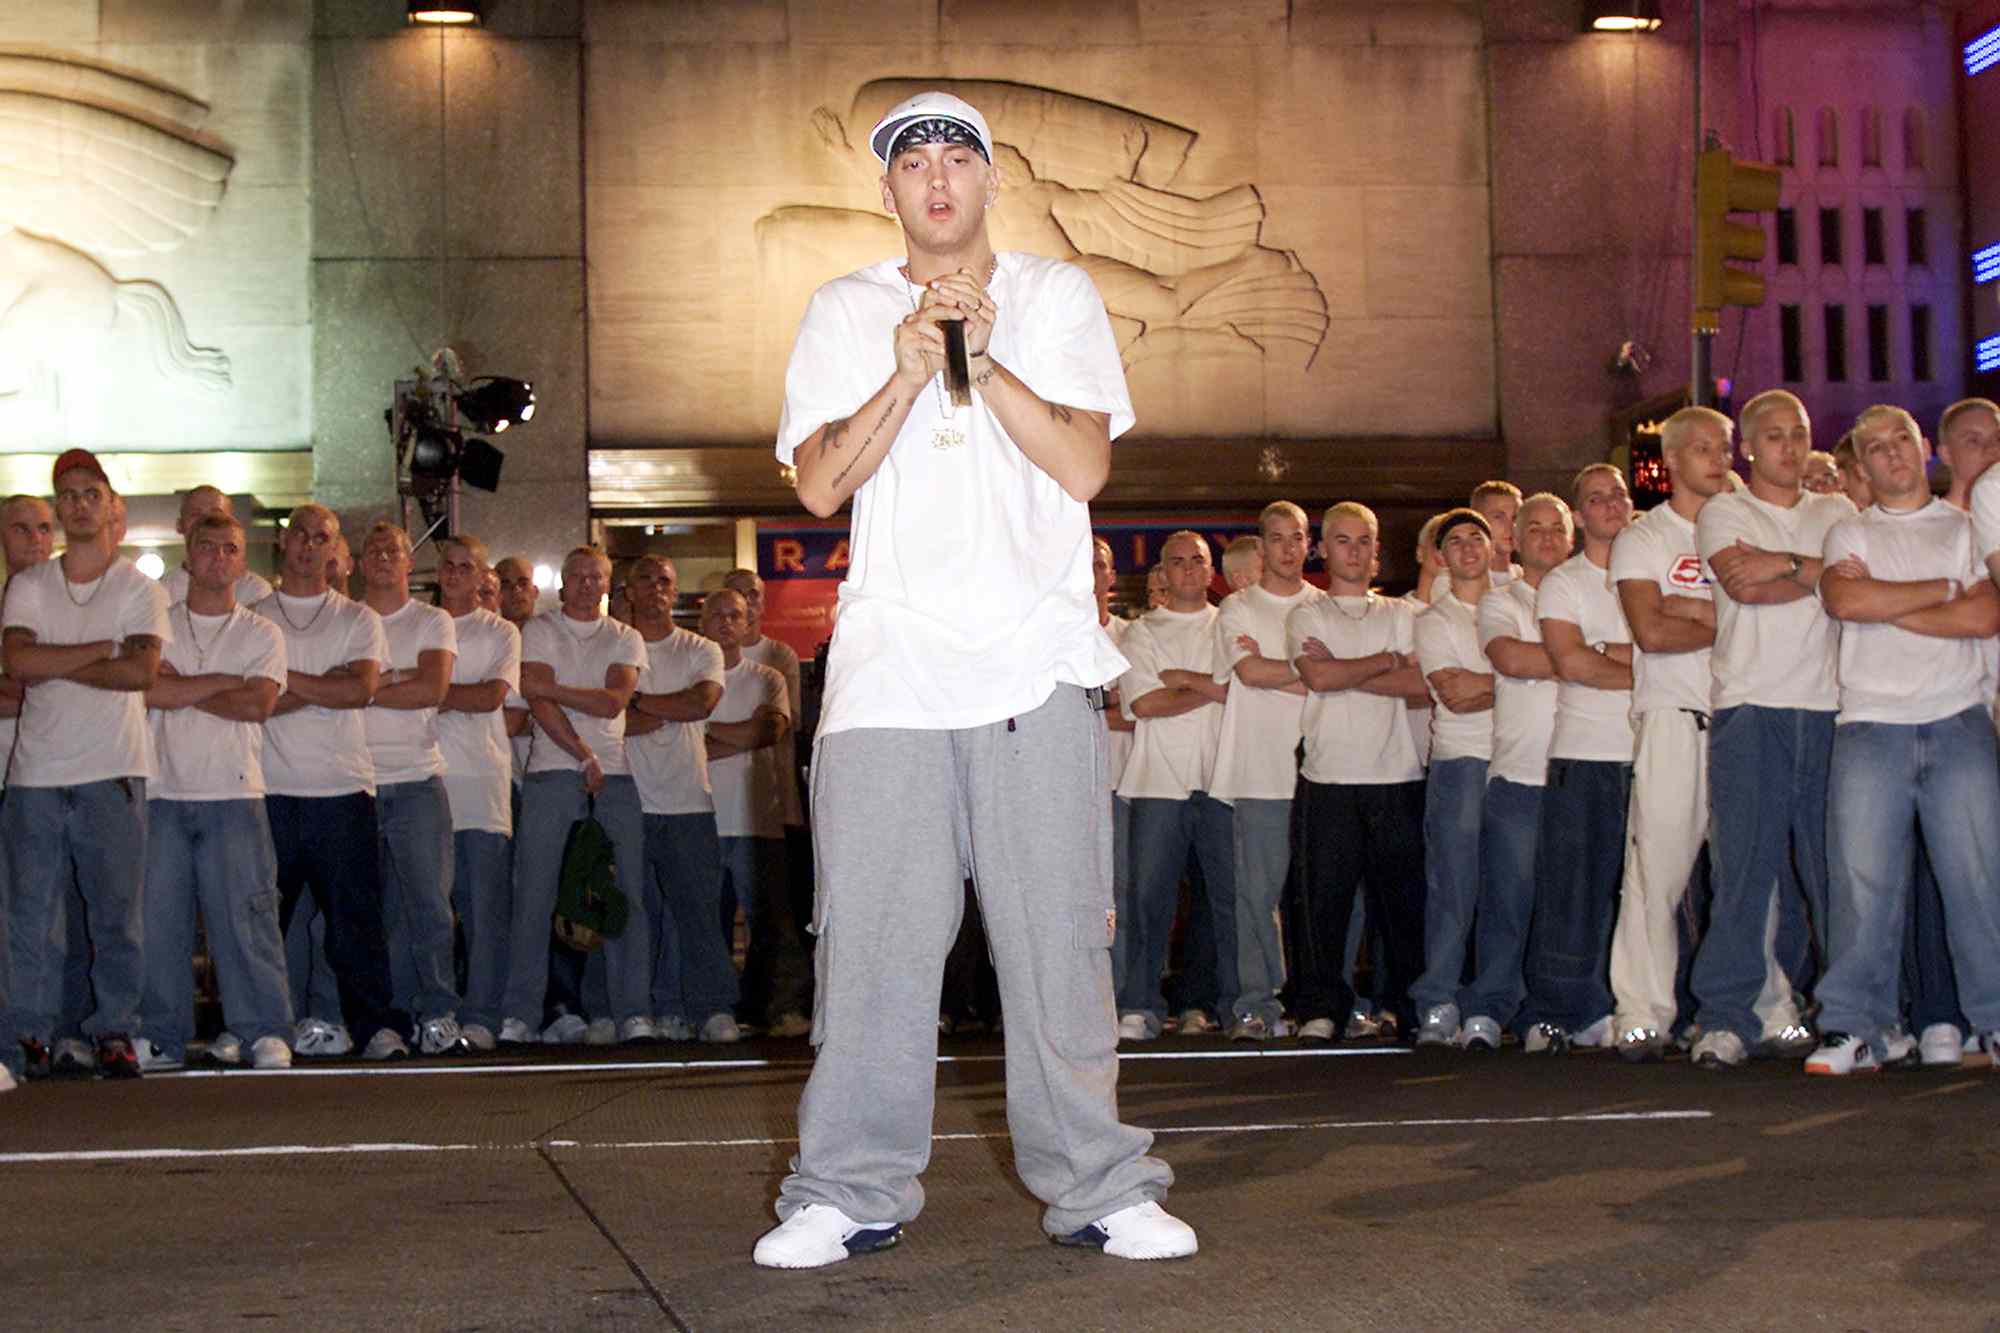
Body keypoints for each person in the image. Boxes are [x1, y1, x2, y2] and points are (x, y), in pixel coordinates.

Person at [757, 90, 1189, 1268]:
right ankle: (847, 1189)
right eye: (912, 162)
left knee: (1056, 944)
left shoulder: (1055, 296)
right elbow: (815, 489)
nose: (936, 176)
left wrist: (983, 360)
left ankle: (1099, 1184)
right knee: (874, 947)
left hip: (1032, 665)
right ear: (886, 190)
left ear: (993, 178)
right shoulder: (843, 307)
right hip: (889, 676)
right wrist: (902, 372)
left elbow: (1085, 461)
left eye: (957, 155)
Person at [1808, 404, 2000, 1073]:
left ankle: (1995, 1020)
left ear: (1924, 447)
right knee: (1861, 882)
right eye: (1875, 448)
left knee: (1978, 878)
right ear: (1859, 465)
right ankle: (1854, 1025)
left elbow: (1985, 614)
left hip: (1959, 719)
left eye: (1901, 440)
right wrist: (1941, 591)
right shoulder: (1846, 531)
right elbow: (1847, 602)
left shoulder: (1969, 527)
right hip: (1870, 723)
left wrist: (1895, 602)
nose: (1891, 454)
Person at [1686, 390, 1849, 1070]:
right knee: (1745, 869)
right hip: (1751, 708)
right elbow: (1744, 586)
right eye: (1775, 436)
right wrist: (1820, 576)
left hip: (1831, 707)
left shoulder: (1836, 510)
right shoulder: (1726, 508)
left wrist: (1785, 565)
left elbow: (1848, 588)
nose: (1789, 446)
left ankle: (1850, 1014)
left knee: (1834, 871)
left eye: (1799, 434)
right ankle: (1724, 1017)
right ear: (1749, 446)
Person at [2, 450, 168, 1079]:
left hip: (113, 772)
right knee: (29, 919)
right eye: (65, 495)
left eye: (88, 493)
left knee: (116, 916)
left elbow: (140, 672)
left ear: (110, 504)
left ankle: (117, 1030)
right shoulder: (30, 584)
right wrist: (100, 647)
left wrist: (56, 659)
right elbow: (19, 664)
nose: (77, 504)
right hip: (36, 776)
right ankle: (26, 1036)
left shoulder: (138, 588)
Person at [134, 512, 292, 1072]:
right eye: (207, 547)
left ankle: (265, 1030)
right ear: (188, 555)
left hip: (236, 791)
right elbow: (148, 691)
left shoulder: (261, 631)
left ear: (243, 559)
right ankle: (161, 1034)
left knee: (246, 918)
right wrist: (227, 680)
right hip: (162, 790)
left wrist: (185, 688)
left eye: (230, 548)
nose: (218, 558)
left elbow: (259, 704)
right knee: (159, 920)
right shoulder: (157, 625)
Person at [253, 504, 410, 1061]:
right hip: (268, 791)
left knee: (356, 926)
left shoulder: (356, 618)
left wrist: (282, 680)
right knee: (263, 923)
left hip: (344, 790)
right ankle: (260, 1030)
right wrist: (326, 682)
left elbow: (360, 690)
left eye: (321, 537)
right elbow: (253, 704)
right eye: (298, 533)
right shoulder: (252, 616)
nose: (308, 545)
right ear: (283, 542)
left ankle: (374, 1028)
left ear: (335, 551)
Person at [1606, 408, 1729, 1061]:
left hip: (1741, 721)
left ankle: (1758, 1006)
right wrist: (1731, 617)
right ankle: (1641, 1009)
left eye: (1724, 447)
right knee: (1656, 870)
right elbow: (1650, 631)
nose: (1717, 459)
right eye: (1702, 449)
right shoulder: (1644, 537)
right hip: (1674, 720)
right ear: (1673, 460)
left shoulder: (1746, 528)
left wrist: (1690, 609)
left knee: (1746, 877)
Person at [1286, 504, 1429, 1044]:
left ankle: (1405, 1007)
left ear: (1377, 551)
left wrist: (1348, 669)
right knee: (1323, 904)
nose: (1353, 550)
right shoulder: (1307, 614)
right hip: (1329, 779)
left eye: (1363, 541)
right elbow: (1318, 678)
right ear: (1323, 550)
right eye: (1342, 541)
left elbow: (1421, 686)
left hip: (1398, 776)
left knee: (1402, 906)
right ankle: (1322, 1007)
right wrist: (1384, 661)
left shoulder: (1403, 613)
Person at [502, 546, 653, 1044]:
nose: (588, 584)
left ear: (609, 585)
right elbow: (537, 705)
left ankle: (631, 1011)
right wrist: (582, 752)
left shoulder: (625, 638)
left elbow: (613, 701)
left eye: (598, 576)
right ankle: (521, 1015)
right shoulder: (540, 630)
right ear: (563, 584)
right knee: (534, 895)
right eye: (579, 576)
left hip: (616, 779)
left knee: (624, 892)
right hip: (551, 772)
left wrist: (551, 688)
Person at [1518, 464, 1634, 1054]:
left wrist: (1610, 653)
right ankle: (1557, 1011)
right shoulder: (1565, 583)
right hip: (1584, 756)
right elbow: (1572, 664)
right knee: (1573, 893)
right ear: (1580, 515)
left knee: (1644, 893)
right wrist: (1649, 662)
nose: (1610, 505)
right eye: (1596, 498)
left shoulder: (1658, 574)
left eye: (1618, 495)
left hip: (1653, 753)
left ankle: (1635, 1006)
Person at [1458, 493, 1569, 1049]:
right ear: (1515, 541)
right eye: (1536, 529)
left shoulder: (1596, 597)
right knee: (1506, 902)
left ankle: (1551, 1014)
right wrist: (1583, 657)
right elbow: (1513, 660)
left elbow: (1631, 658)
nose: (1547, 538)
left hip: (1581, 774)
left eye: (1557, 528)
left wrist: (1566, 657)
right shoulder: (1499, 602)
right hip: (1519, 776)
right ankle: (1489, 1007)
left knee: (1567, 906)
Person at [1114, 531, 1234, 1039]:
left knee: (1220, 901)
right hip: (1156, 782)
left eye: (1197, 561)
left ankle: (1202, 1004)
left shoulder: (1232, 625)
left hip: (1222, 779)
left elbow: (1242, 690)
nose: (1187, 570)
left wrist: (1184, 679)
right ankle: (1140, 1003)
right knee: (1148, 900)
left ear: (1212, 571)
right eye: (1176, 562)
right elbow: (1142, 705)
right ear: (1161, 573)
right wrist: (1213, 689)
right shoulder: (1142, 633)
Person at [1211, 500, 1322, 1042]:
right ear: (1262, 545)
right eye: (1276, 538)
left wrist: (1304, 674)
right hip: (1259, 771)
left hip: (1326, 768)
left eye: (1296, 537)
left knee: (1325, 896)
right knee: (1257, 897)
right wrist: (1317, 673)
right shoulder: (1238, 609)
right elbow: (1251, 671)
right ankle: (1256, 1004)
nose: (1287, 547)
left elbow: (1335, 677)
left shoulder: (1327, 606)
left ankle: (1322, 1001)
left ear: (1309, 544)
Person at [359, 522, 464, 1055]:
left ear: (409, 564)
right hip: (355, 783)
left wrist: (362, 685)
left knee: (428, 906)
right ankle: (388, 1017)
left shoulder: (432, 619)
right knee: (374, 914)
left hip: (417, 781)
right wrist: (393, 680)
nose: (383, 558)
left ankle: (439, 1012)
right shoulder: (348, 618)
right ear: (359, 562)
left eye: (393, 551)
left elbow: (432, 687)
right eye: (373, 550)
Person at [623, 556, 734, 1042]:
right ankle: (644, 1009)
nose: (655, 588)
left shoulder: (700, 648)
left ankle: (710, 1009)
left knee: (698, 915)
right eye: (645, 579)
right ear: (628, 590)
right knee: (633, 914)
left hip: (688, 799)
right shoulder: (614, 645)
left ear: (676, 590)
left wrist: (637, 703)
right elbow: (610, 719)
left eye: (664, 580)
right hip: (626, 799)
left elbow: (701, 703)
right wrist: (665, 708)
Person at [701, 587, 811, 1035]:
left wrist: (705, 730)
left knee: (770, 925)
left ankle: (775, 1008)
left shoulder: (768, 677)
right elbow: (689, 740)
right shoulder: (692, 674)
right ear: (703, 623)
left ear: (750, 623)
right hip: (701, 815)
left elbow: (768, 732)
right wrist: (736, 733)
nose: (727, 623)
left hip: (756, 817)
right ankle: (719, 1009)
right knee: (711, 924)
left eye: (736, 615)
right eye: (718, 615)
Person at [1409, 509, 1496, 1045]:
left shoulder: (1520, 602)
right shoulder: (1433, 620)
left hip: (1519, 761)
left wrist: (1495, 680)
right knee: (1452, 887)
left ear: (1493, 546)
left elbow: (1479, 685)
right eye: (1455, 541)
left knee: (1509, 889)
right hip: (1461, 762)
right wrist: (1527, 675)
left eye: (1476, 538)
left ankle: (1491, 1001)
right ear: (1441, 556)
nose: (1467, 548)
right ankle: (1439, 1000)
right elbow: (1457, 696)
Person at [434, 535, 522, 1050]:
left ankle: (483, 1016)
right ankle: (438, 1012)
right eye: (448, 565)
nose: (455, 573)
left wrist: (425, 690)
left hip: (483, 792)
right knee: (428, 915)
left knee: (486, 914)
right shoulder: (421, 624)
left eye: (466, 567)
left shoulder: (501, 632)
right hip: (427, 785)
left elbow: (490, 696)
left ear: (482, 575)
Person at [0, 495, 59, 1090]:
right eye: (21, 530)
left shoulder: (67, 604)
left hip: (47, 777)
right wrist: (52, 674)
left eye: (45, 529)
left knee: (45, 920)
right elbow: (30, 685)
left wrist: (45, 671)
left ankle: (41, 1035)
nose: (36, 540)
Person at [161, 486, 273, 606]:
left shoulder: (255, 591)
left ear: (232, 523)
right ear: (180, 525)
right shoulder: (162, 592)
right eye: (195, 515)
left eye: (216, 515)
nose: (205, 521)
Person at [1470, 480, 1524, 582]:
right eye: (1498, 517)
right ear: (1477, 521)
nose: (1510, 526)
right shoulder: (1456, 580)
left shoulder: (1528, 580)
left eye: (1515, 517)